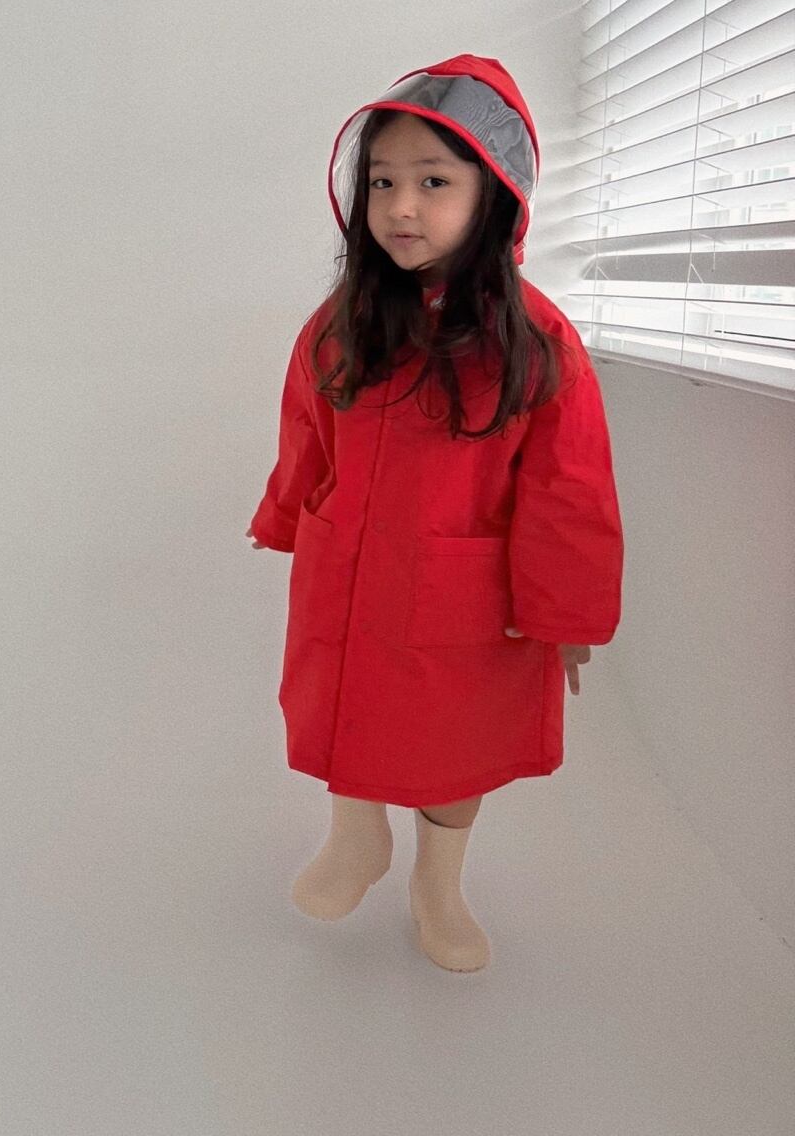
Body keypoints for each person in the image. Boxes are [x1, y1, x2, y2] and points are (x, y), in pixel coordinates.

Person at [246, 53, 624, 973]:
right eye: (382, 182)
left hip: (468, 591)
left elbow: (569, 486)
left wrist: (566, 615)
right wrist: (290, 515)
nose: (401, 207)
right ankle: (356, 837)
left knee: (454, 736)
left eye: (433, 182)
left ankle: (439, 883)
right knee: (346, 704)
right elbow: (308, 432)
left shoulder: (534, 340)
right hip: (351, 569)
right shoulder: (343, 323)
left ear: (493, 192)